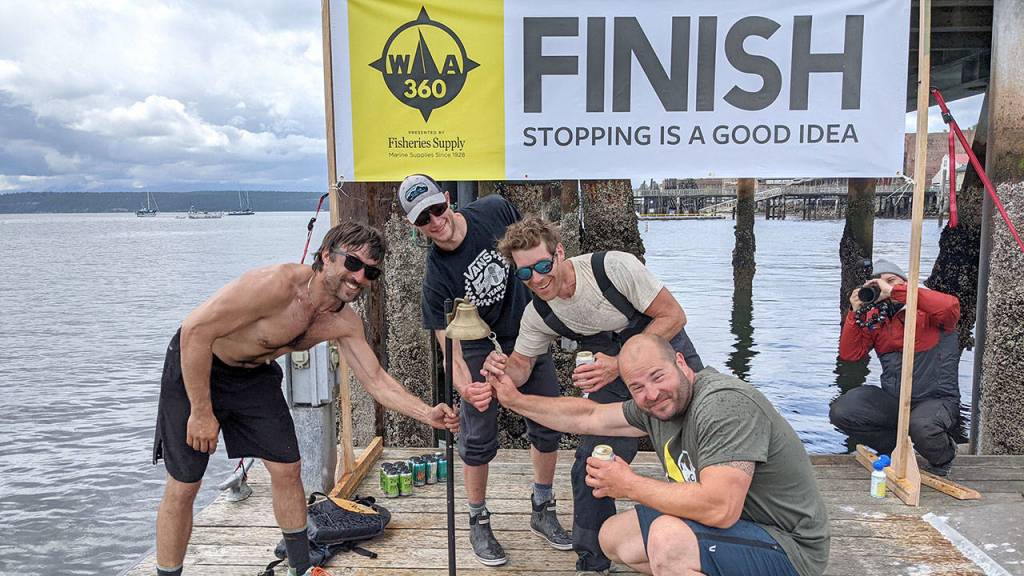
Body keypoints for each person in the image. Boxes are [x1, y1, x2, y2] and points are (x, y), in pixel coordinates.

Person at [151, 222, 459, 576]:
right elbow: (195, 331)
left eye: (370, 271)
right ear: (326, 256)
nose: (358, 277)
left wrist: (427, 413)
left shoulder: (343, 322)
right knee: (185, 484)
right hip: (198, 365)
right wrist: (201, 412)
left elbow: (376, 381)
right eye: (353, 263)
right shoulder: (274, 286)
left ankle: (301, 567)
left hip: (253, 376)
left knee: (288, 468)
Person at [487, 334, 830, 576]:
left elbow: (720, 508)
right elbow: (587, 416)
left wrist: (629, 484)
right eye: (637, 387)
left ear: (681, 362)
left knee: (667, 539)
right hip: (738, 531)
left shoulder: (723, 404)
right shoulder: (656, 408)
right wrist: (515, 400)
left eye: (657, 377)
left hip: (787, 548)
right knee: (615, 538)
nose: (650, 394)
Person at [482, 215, 703, 576]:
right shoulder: (537, 314)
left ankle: (722, 537)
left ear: (560, 253)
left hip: (664, 363)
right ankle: (593, 563)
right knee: (591, 464)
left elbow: (674, 315)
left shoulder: (612, 268)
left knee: (695, 451)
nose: (537, 279)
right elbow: (521, 366)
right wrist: (498, 372)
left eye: (542, 265)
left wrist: (619, 363)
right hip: (611, 377)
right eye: (525, 274)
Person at [397, 174, 571, 566]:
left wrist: (554, 306)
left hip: (528, 328)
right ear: (415, 226)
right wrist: (467, 387)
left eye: (437, 208)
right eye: (424, 218)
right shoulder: (437, 275)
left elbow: (531, 251)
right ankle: (478, 516)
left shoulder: (494, 209)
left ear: (447, 199)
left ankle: (542, 506)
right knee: (476, 431)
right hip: (477, 340)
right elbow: (450, 349)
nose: (435, 221)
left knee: (547, 419)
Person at [829, 258, 962, 476]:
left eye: (891, 280)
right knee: (842, 410)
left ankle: (943, 457)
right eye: (878, 284)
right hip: (895, 398)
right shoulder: (877, 319)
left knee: (922, 427)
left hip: (936, 398)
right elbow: (850, 354)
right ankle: (894, 449)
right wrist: (855, 313)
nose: (884, 287)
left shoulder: (931, 312)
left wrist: (895, 291)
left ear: (906, 283)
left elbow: (950, 306)